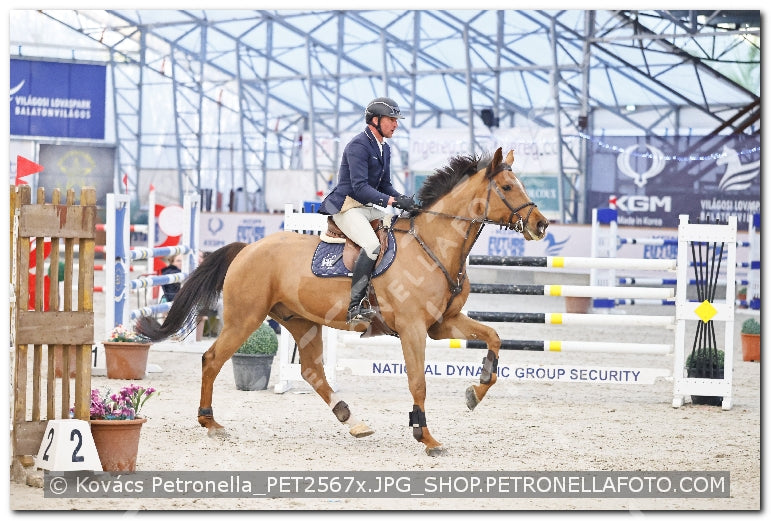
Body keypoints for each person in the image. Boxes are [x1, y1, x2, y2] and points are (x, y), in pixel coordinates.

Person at [319, 97, 416, 326]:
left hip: (365, 207)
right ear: (375, 120)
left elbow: (384, 185)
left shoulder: (385, 148)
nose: (396, 124)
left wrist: (402, 199)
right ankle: (355, 306)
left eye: (396, 120)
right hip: (346, 206)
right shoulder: (358, 146)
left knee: (398, 224)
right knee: (371, 245)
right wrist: (392, 200)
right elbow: (360, 188)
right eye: (391, 120)